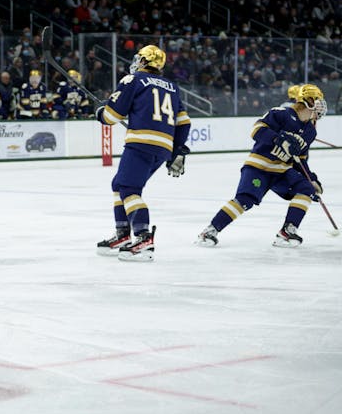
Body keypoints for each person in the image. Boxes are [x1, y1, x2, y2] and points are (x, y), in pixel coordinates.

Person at [196, 84, 326, 248]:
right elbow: (256, 130)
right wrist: (279, 139)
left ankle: (287, 232)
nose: (321, 106)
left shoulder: (310, 131)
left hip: (282, 171)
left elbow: (300, 159)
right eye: (317, 101)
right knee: (245, 200)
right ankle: (210, 231)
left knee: (306, 188)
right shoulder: (281, 113)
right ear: (306, 101)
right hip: (259, 167)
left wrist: (312, 179)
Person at [95, 45, 190, 262]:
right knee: (119, 184)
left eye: (139, 59)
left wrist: (101, 111)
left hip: (140, 144)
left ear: (145, 62)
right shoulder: (173, 87)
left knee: (129, 189)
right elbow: (184, 123)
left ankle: (143, 237)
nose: (136, 62)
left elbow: (111, 116)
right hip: (162, 148)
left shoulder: (133, 80)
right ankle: (122, 234)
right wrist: (176, 151)